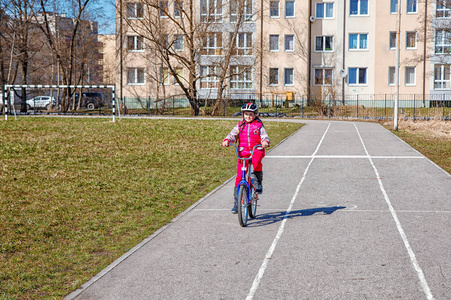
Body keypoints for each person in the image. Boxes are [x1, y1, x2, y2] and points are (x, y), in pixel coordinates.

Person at [222, 103, 270, 214]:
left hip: (256, 150)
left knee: (256, 161)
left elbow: (264, 136)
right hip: (243, 152)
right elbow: (232, 135)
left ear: (255, 115)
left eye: (250, 114)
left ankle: (258, 180)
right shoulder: (240, 125)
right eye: (246, 114)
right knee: (239, 177)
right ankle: (237, 203)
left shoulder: (258, 125)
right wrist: (227, 140)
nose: (248, 116)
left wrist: (265, 142)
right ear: (243, 114)